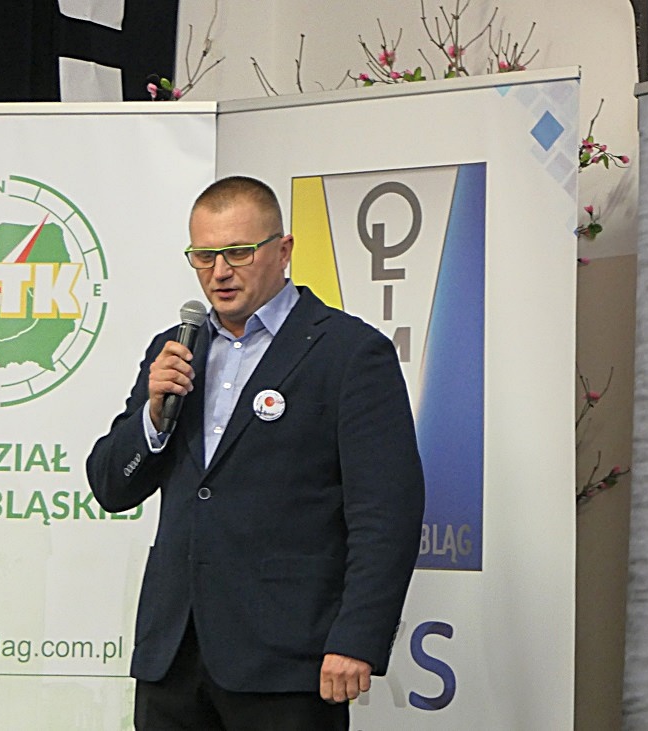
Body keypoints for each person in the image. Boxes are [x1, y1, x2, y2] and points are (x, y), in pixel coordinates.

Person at [86, 176, 426, 730]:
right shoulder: (175, 349)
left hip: (288, 660)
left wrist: (357, 638)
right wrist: (152, 416)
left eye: (238, 252)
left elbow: (387, 512)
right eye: (204, 256)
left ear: (284, 250)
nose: (219, 272)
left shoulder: (350, 353)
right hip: (173, 654)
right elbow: (110, 486)